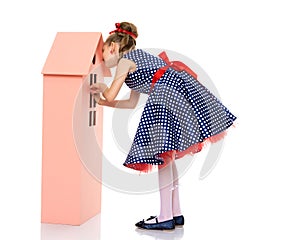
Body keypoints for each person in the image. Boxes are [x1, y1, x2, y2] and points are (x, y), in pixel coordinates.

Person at [90, 22, 236, 231]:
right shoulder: (139, 58)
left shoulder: (125, 62)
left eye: (103, 54)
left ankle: (165, 216)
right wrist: (104, 102)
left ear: (113, 47)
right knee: (167, 155)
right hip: (175, 91)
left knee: (162, 155)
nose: (104, 61)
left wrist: (104, 90)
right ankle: (175, 213)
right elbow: (130, 103)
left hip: (166, 95)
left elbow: (111, 93)